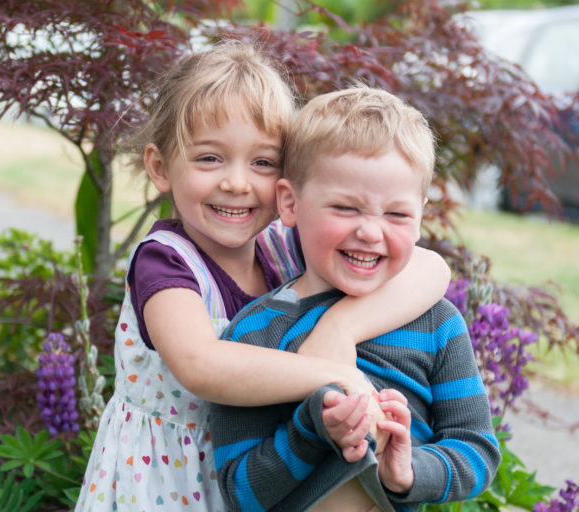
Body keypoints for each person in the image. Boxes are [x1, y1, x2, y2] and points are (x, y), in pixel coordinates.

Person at [75, 43, 451, 512]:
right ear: (159, 167)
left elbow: (432, 267)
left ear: (286, 184)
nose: (237, 182)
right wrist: (335, 372)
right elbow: (201, 366)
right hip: (167, 479)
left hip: (263, 473)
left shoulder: (282, 245)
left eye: (262, 162)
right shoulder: (165, 261)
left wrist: (340, 328)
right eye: (210, 158)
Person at [210, 85, 501, 512]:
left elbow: (477, 450)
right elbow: (240, 492)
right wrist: (310, 430)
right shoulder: (254, 333)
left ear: (421, 216)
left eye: (397, 214)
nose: (370, 231)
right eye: (346, 208)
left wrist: (407, 471)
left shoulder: (437, 323)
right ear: (289, 203)